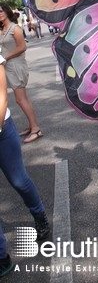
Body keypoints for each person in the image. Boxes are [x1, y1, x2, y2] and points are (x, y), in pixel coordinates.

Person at [0, 56, 50, 277]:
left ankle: (39, 215)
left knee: (18, 180)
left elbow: (2, 95)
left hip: (2, 130)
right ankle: (2, 257)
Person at [0, 3, 43, 143]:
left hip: (16, 66)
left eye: (1, 11)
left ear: (6, 12)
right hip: (8, 67)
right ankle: (32, 126)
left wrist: (5, 57)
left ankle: (36, 129)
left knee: (20, 99)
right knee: (23, 98)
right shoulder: (3, 29)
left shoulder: (15, 28)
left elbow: (22, 47)